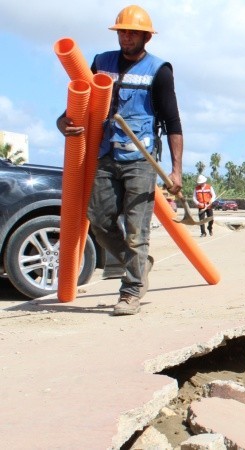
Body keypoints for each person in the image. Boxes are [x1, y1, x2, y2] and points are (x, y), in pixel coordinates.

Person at [56, 5, 183, 316]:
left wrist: (176, 170)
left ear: (146, 37)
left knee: (138, 228)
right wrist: (64, 121)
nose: (126, 37)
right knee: (98, 222)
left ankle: (131, 292)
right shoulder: (101, 62)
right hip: (104, 154)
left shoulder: (159, 70)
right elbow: (81, 98)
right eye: (122, 31)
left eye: (133, 32)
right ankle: (137, 263)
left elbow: (172, 121)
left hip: (139, 159)